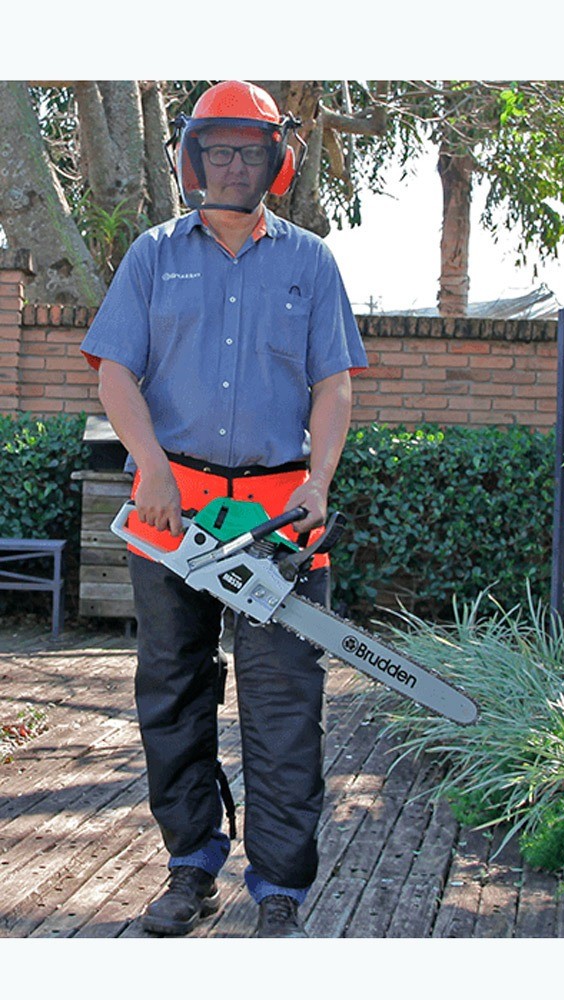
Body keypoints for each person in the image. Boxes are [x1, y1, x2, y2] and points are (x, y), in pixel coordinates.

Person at [79, 80, 368, 938]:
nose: (233, 165)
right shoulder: (153, 255)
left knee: (284, 706)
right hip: (175, 511)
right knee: (174, 691)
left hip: (280, 518)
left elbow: (334, 385)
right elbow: (115, 373)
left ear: (276, 161)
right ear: (191, 158)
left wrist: (319, 482)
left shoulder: (310, 262)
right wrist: (151, 468)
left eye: (249, 150)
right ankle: (191, 865)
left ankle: (280, 887)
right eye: (218, 150)